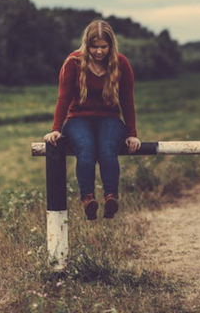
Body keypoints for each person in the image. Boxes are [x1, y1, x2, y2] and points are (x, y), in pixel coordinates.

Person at [44, 19, 141, 220]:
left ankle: (111, 198)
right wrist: (56, 128)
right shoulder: (73, 62)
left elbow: (127, 100)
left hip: (110, 118)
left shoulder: (121, 63)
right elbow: (63, 97)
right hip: (78, 118)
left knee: (107, 151)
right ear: (87, 45)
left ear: (111, 45)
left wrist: (132, 134)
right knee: (86, 150)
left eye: (103, 47)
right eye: (94, 47)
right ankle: (88, 199)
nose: (99, 52)